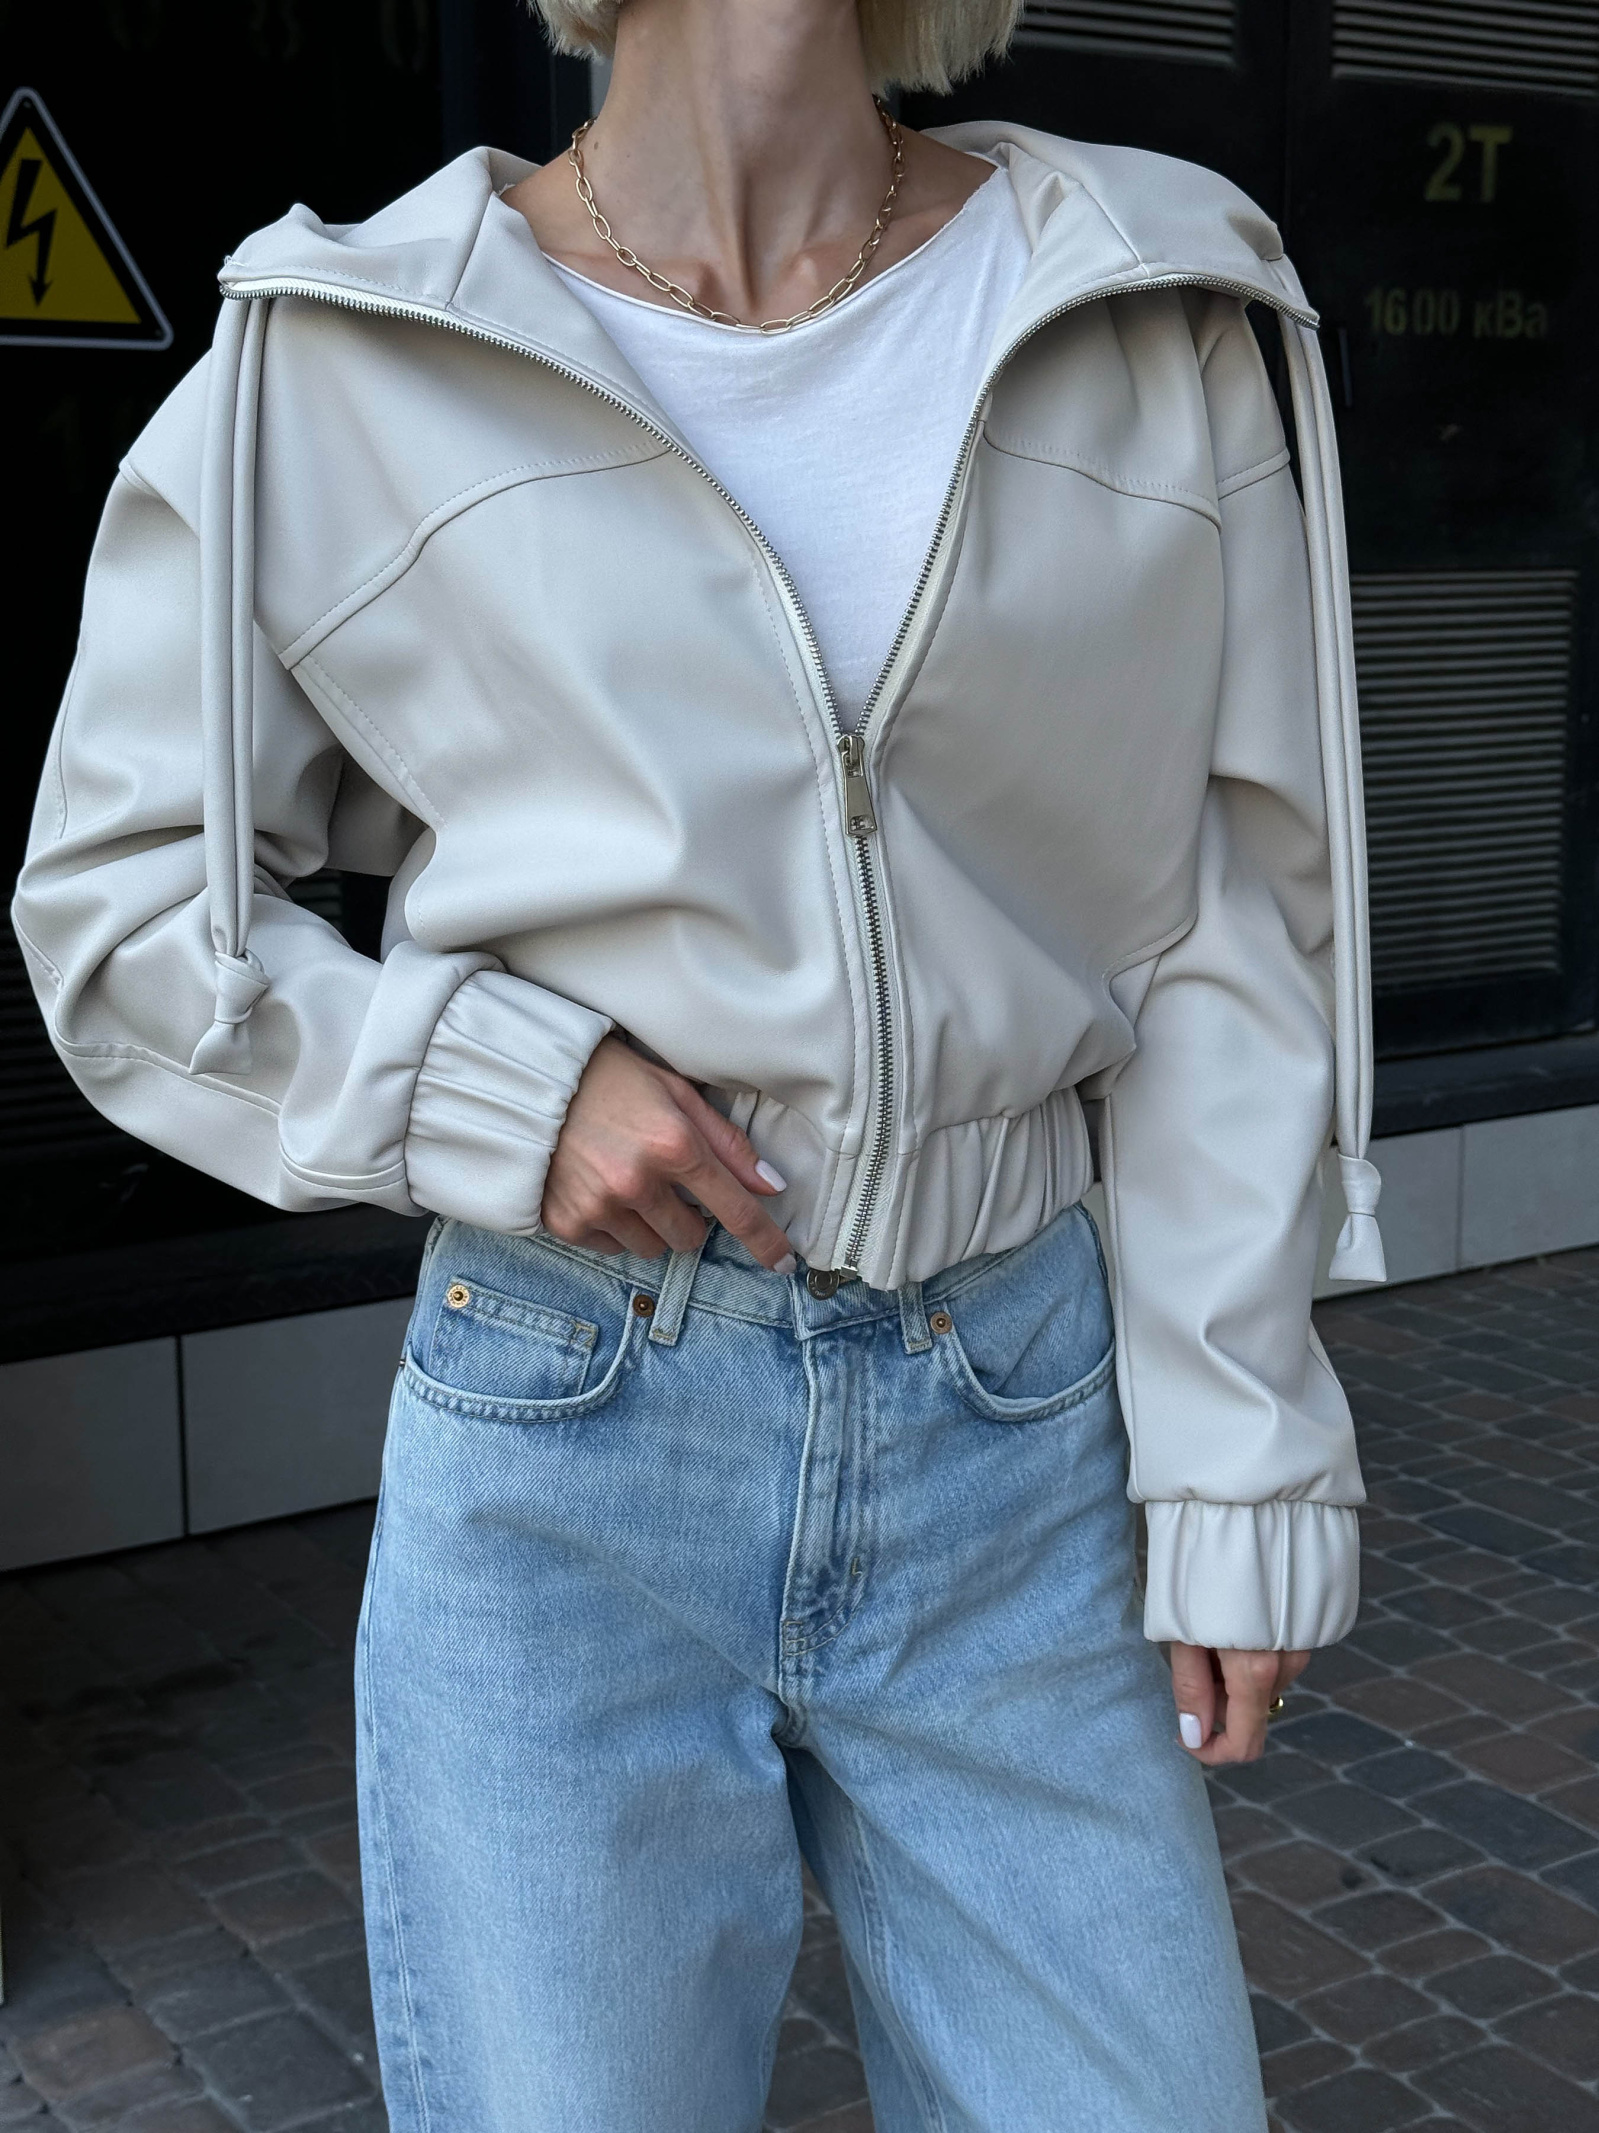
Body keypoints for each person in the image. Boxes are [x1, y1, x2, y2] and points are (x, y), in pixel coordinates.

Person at [15, 0, 1388, 2123]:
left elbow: (1223, 929)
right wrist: (492, 1083)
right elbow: (120, 911)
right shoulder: (349, 349)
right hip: (576, 1433)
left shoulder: (1139, 298)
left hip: (1018, 1426)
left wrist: (1236, 1444)